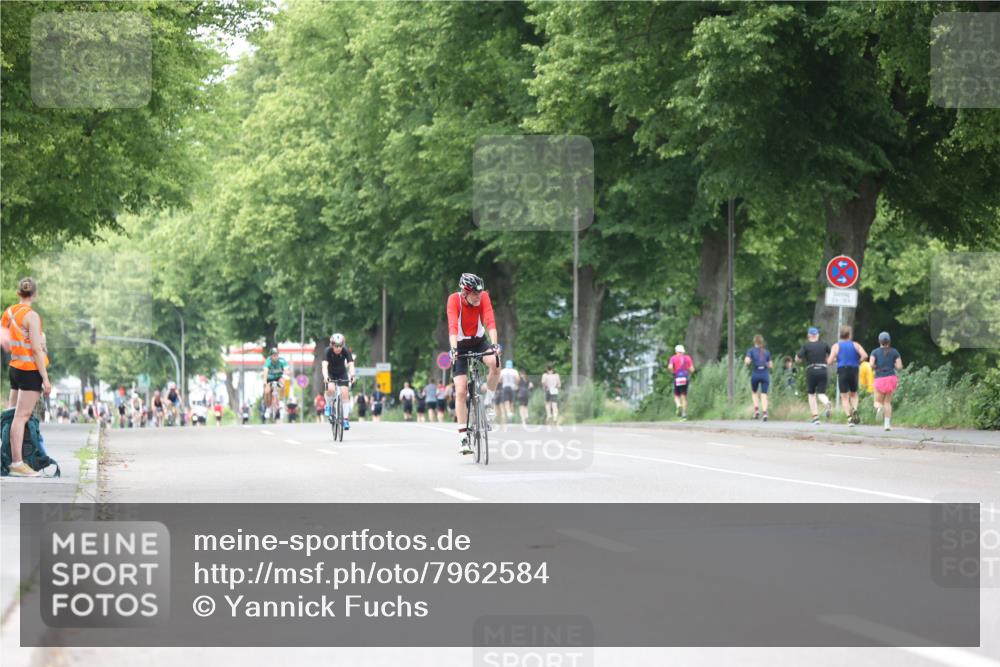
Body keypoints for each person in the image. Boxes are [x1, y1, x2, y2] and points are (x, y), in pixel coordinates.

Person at [1, 278, 52, 477]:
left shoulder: (9, 312)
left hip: (14, 368)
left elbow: (2, 334)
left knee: (11, 414)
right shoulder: (32, 317)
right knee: (21, 417)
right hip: (30, 371)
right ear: (35, 295)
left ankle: (7, 456)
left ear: (18, 293)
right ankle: (17, 463)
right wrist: (45, 379)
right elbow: (37, 350)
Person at [447, 273, 502, 455]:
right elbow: (453, 326)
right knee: (461, 390)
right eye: (475, 294)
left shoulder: (483, 297)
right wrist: (454, 349)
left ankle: (487, 403)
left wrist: (494, 345)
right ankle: (463, 436)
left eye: (480, 292)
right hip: (460, 347)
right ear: (464, 292)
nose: (479, 296)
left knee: (495, 363)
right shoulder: (453, 300)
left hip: (479, 341)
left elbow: (490, 320)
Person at [828, 325, 868, 426]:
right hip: (854, 370)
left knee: (844, 397)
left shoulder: (836, 346)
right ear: (849, 334)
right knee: (854, 394)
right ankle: (854, 409)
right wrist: (858, 361)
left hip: (842, 370)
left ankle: (850, 419)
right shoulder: (856, 345)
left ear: (840, 334)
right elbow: (865, 355)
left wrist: (836, 360)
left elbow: (829, 361)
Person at [796, 327, 832, 425]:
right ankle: (827, 403)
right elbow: (832, 355)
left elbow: (798, 358)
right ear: (817, 335)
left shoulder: (806, 346)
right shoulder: (824, 345)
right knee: (821, 393)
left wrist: (798, 360)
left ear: (808, 335)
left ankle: (815, 418)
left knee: (811, 395)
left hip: (811, 370)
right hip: (823, 370)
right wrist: (828, 361)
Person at [322, 333, 356, 430]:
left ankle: (345, 419)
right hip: (330, 373)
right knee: (331, 389)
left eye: (340, 345)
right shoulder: (327, 351)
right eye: (336, 345)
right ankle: (328, 406)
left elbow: (351, 364)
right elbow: (324, 366)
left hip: (342, 373)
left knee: (345, 393)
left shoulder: (345, 351)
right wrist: (325, 377)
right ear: (332, 345)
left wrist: (352, 375)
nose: (338, 348)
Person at [870, 331, 903, 431]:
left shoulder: (874, 352)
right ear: (889, 341)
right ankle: (887, 425)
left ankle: (879, 408)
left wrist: (876, 366)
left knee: (877, 401)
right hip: (891, 378)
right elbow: (899, 367)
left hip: (880, 378)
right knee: (887, 402)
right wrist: (892, 365)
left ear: (879, 341)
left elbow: (871, 365)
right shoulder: (894, 352)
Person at [744, 335, 773, 421]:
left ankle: (756, 410)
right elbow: (771, 365)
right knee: (764, 394)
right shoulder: (767, 352)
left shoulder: (751, 351)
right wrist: (765, 363)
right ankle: (765, 413)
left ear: (754, 342)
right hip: (764, 374)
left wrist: (748, 360)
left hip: (756, 373)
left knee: (754, 392)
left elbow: (747, 362)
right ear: (762, 342)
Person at [667, 344, 694, 420]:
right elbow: (692, 369)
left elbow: (670, 367)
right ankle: (684, 414)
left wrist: (673, 372)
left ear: (676, 351)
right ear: (683, 351)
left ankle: (678, 405)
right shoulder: (687, 358)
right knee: (684, 397)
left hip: (677, 378)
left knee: (676, 395)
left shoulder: (673, 358)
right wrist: (687, 372)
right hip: (685, 378)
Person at [262, 347, 288, 422]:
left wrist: (284, 377)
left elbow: (286, 370)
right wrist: (264, 381)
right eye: (273, 355)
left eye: (276, 355)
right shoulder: (268, 361)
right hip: (270, 378)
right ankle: (268, 407)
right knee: (267, 391)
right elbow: (265, 371)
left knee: (283, 384)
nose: (275, 356)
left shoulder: (282, 361)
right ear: (271, 356)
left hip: (279, 377)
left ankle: (281, 401)